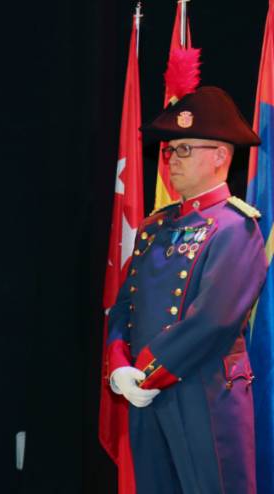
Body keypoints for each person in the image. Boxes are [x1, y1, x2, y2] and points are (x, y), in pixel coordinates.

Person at [105, 86, 267, 493]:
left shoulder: (235, 228)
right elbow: (126, 306)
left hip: (203, 394)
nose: (172, 159)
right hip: (146, 392)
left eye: (184, 149)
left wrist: (144, 371)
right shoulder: (155, 226)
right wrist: (118, 364)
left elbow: (213, 320)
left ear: (220, 156)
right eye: (169, 150)